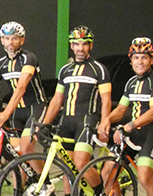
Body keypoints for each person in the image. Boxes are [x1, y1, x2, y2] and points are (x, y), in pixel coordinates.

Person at [39, 25, 111, 195]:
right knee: (67, 168)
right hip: (67, 121)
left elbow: (106, 100)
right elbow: (57, 100)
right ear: (71, 45)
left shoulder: (99, 69)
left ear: (90, 45)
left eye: (84, 44)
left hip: (87, 120)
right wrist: (44, 124)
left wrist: (104, 123)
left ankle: (100, 192)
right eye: (77, 44)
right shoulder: (65, 70)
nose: (80, 48)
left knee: (80, 162)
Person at [98, 37, 153, 196]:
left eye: (144, 57)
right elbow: (120, 110)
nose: (140, 62)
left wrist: (129, 126)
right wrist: (106, 121)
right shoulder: (131, 83)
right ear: (131, 61)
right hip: (133, 132)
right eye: (136, 58)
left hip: (152, 132)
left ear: (151, 60)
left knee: (144, 178)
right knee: (107, 172)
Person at [0, 22, 48, 158]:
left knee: (26, 148)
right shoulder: (0, 65)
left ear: (22, 40)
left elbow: (21, 88)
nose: (10, 42)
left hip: (35, 106)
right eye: (7, 38)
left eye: (14, 38)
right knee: (16, 155)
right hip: (17, 111)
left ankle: (43, 173)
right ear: (2, 40)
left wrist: (6, 113)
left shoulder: (29, 58)